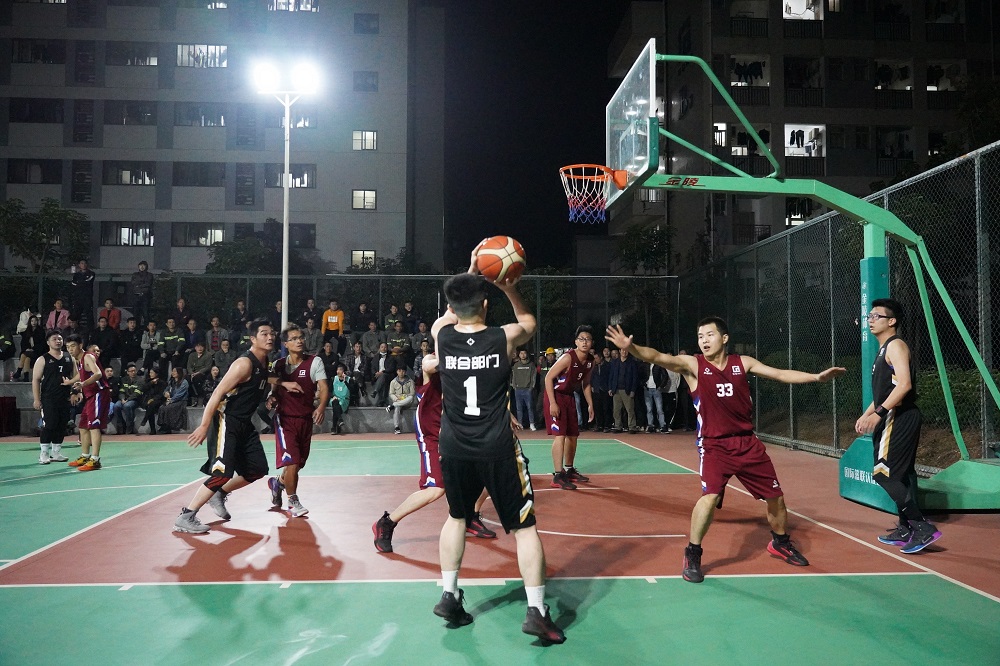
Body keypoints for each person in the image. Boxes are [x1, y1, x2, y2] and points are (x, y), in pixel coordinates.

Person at [606, 319, 845, 584]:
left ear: (725, 338)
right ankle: (692, 553)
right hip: (714, 445)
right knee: (709, 497)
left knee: (775, 497)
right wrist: (632, 347)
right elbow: (658, 357)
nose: (704, 340)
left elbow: (779, 374)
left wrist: (816, 377)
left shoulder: (743, 363)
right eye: (700, 336)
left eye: (709, 335)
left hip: (747, 444)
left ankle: (780, 542)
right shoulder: (693, 365)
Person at [429, 254, 564, 643]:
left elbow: (449, 313)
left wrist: (471, 272)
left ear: (452, 306)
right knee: (524, 528)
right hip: (497, 446)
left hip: (455, 445)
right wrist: (509, 287)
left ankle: (449, 594)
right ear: (486, 304)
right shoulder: (501, 337)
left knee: (457, 517)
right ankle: (537, 611)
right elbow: (529, 323)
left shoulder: (442, 336)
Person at [173, 319, 294, 534]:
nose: (270, 337)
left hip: (244, 423)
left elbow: (265, 376)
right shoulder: (243, 364)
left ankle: (219, 493)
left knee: (257, 469)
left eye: (272, 333)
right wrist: (203, 426)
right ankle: (186, 516)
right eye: (264, 334)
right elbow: (217, 393)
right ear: (253, 338)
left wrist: (283, 383)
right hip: (225, 420)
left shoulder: (263, 361)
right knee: (222, 471)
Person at [373, 352, 496, 554]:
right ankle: (387, 523)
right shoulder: (433, 358)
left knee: (487, 469)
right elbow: (428, 367)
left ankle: (470, 516)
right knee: (436, 488)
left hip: (455, 429)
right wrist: (457, 359)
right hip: (431, 430)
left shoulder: (470, 362)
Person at [855, 298, 941, 554]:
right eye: (869, 316)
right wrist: (867, 413)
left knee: (884, 474)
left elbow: (904, 385)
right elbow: (885, 391)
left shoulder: (896, 345)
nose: (870, 320)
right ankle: (906, 528)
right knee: (900, 474)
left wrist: (879, 414)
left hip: (899, 416)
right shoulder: (883, 350)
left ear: (891, 321)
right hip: (892, 415)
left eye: (876, 316)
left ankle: (922, 527)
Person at [266, 323, 329, 518]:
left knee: (298, 464)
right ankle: (292, 501)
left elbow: (324, 387)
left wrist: (321, 407)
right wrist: (272, 398)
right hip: (285, 420)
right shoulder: (278, 365)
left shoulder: (314, 362)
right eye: (294, 339)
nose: (299, 341)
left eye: (301, 337)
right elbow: (273, 388)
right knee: (292, 462)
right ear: (286, 344)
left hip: (305, 419)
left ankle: (278, 483)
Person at [544, 326, 595, 490]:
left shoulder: (590, 361)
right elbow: (548, 378)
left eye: (588, 339)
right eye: (581, 339)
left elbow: (586, 383)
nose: (585, 342)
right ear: (576, 342)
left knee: (573, 435)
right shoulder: (568, 358)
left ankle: (569, 469)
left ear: (592, 342)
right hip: (556, 395)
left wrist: (590, 404)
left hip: (569, 396)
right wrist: (552, 403)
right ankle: (557, 475)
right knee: (560, 435)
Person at [64, 334, 111, 472]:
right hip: (90, 395)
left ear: (80, 345)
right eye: (68, 347)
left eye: (73, 346)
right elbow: (82, 373)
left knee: (94, 426)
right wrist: (70, 382)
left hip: (99, 393)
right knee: (83, 426)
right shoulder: (78, 360)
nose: (70, 349)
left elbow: (98, 373)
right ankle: (85, 456)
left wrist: (83, 384)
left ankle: (95, 460)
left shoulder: (88, 356)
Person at [32, 329, 75, 464]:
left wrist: (76, 392)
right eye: (54, 339)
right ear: (48, 342)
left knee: (62, 425)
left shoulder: (69, 358)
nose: (58, 341)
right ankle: (43, 454)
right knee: (50, 424)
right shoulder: (42, 359)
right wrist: (37, 399)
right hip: (49, 398)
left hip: (64, 397)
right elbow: (36, 380)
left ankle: (56, 453)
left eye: (59, 339)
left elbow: (76, 377)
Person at [607, 345, 639, 433]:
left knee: (630, 409)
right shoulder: (615, 362)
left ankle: (632, 427)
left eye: (626, 351)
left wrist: (633, 390)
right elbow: (611, 376)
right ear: (620, 351)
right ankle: (618, 426)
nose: (624, 352)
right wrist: (610, 388)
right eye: (623, 351)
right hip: (616, 390)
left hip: (627, 390)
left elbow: (635, 378)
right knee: (616, 410)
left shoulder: (632, 363)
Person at [511, 349, 537, 431]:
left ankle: (532, 424)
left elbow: (534, 376)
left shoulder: (531, 365)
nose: (523, 355)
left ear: (527, 354)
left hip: (527, 389)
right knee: (519, 408)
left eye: (524, 353)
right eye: (521, 353)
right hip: (518, 389)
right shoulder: (516, 365)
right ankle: (520, 424)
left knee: (530, 407)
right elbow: (513, 376)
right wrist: (514, 386)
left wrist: (531, 387)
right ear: (519, 355)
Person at [158, 367, 190, 435]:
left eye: (175, 371)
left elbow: (180, 394)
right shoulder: (172, 382)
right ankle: (163, 425)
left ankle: (168, 427)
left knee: (167, 408)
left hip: (181, 401)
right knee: (161, 407)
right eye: (172, 371)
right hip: (171, 400)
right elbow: (166, 389)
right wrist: (166, 393)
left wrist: (171, 400)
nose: (173, 373)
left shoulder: (184, 382)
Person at [641, 359, 669, 433]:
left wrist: (661, 386)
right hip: (647, 389)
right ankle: (650, 425)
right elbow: (640, 375)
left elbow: (665, 376)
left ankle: (663, 425)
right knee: (649, 409)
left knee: (659, 409)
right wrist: (643, 384)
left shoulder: (659, 364)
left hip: (656, 389)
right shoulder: (645, 365)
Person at [14, 314, 45, 381]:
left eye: (35, 321)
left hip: (37, 352)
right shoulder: (27, 331)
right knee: (27, 358)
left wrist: (33, 349)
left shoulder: (41, 331)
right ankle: (26, 377)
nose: (34, 322)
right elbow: (23, 343)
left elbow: (42, 344)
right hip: (28, 352)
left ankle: (19, 371)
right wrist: (27, 349)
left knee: (24, 355)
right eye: (32, 321)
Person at [386, 365, 415, 435]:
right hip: (398, 401)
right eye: (399, 371)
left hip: (407, 402)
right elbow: (391, 393)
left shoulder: (410, 381)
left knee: (411, 397)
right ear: (397, 372)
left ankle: (392, 405)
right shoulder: (393, 382)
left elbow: (412, 393)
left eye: (403, 371)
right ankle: (396, 427)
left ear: (405, 372)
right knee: (397, 407)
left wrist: (403, 397)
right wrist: (396, 399)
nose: (401, 373)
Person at [590, 350, 612, 432]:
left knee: (606, 408)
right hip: (596, 390)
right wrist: (592, 385)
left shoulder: (608, 365)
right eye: (594, 358)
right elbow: (591, 377)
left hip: (605, 389)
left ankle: (607, 425)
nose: (595, 360)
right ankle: (599, 425)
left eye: (596, 358)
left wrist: (610, 388)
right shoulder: (594, 367)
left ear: (601, 358)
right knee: (597, 408)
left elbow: (610, 377)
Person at [69, 259, 96, 330]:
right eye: (82, 263)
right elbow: (73, 283)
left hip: (87, 297)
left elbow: (88, 282)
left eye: (84, 263)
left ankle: (91, 330)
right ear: (79, 265)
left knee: (89, 313)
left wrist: (79, 283)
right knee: (76, 313)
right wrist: (80, 284)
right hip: (78, 297)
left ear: (87, 264)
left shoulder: (91, 273)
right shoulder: (76, 275)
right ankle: (75, 329)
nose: (83, 265)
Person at [117, 363, 143, 434]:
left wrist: (127, 400)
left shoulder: (140, 380)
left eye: (134, 371)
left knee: (127, 406)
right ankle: (121, 425)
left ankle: (129, 426)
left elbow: (137, 393)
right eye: (131, 371)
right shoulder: (123, 380)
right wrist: (122, 399)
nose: (133, 372)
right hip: (124, 399)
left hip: (135, 400)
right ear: (127, 372)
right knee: (116, 406)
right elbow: (121, 391)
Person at [140, 367, 166, 435]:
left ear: (156, 374)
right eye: (150, 373)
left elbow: (161, 394)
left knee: (151, 405)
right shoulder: (148, 381)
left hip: (158, 400)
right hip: (148, 400)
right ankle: (152, 429)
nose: (150, 374)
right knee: (150, 407)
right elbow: (143, 389)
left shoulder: (162, 382)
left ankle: (146, 420)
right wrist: (151, 383)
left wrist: (153, 399)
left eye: (152, 373)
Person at [329, 363, 351, 434]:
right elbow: (329, 391)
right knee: (335, 402)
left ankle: (334, 427)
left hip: (344, 400)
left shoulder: (349, 380)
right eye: (337, 370)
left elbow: (353, 390)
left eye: (340, 370)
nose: (338, 371)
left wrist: (345, 381)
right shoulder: (333, 379)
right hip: (334, 398)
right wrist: (332, 396)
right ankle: (340, 419)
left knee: (336, 407)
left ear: (344, 372)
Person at [130, 260, 153, 325]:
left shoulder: (149, 275)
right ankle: (136, 328)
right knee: (136, 314)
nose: (142, 267)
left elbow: (148, 284)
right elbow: (133, 283)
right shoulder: (135, 274)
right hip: (136, 296)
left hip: (145, 296)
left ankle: (147, 328)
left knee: (146, 314)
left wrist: (138, 285)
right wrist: (143, 283)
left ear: (146, 266)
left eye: (143, 265)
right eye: (140, 265)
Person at [103, 366, 122, 431]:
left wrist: (108, 392)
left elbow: (116, 392)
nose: (109, 373)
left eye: (111, 371)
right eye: (107, 371)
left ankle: (120, 426)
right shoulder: (101, 381)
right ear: (104, 372)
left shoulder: (116, 380)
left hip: (115, 400)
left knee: (115, 406)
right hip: (104, 400)